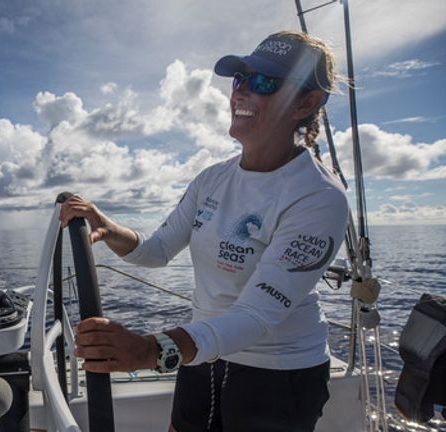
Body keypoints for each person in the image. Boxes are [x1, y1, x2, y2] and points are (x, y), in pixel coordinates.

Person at [60, 31, 349, 432]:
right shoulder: (212, 179)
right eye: (240, 79)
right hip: (203, 353)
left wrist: (149, 349)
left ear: (307, 102)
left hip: (276, 376)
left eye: (264, 82)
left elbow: (255, 315)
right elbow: (157, 250)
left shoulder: (318, 197)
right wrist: (109, 229)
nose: (242, 92)